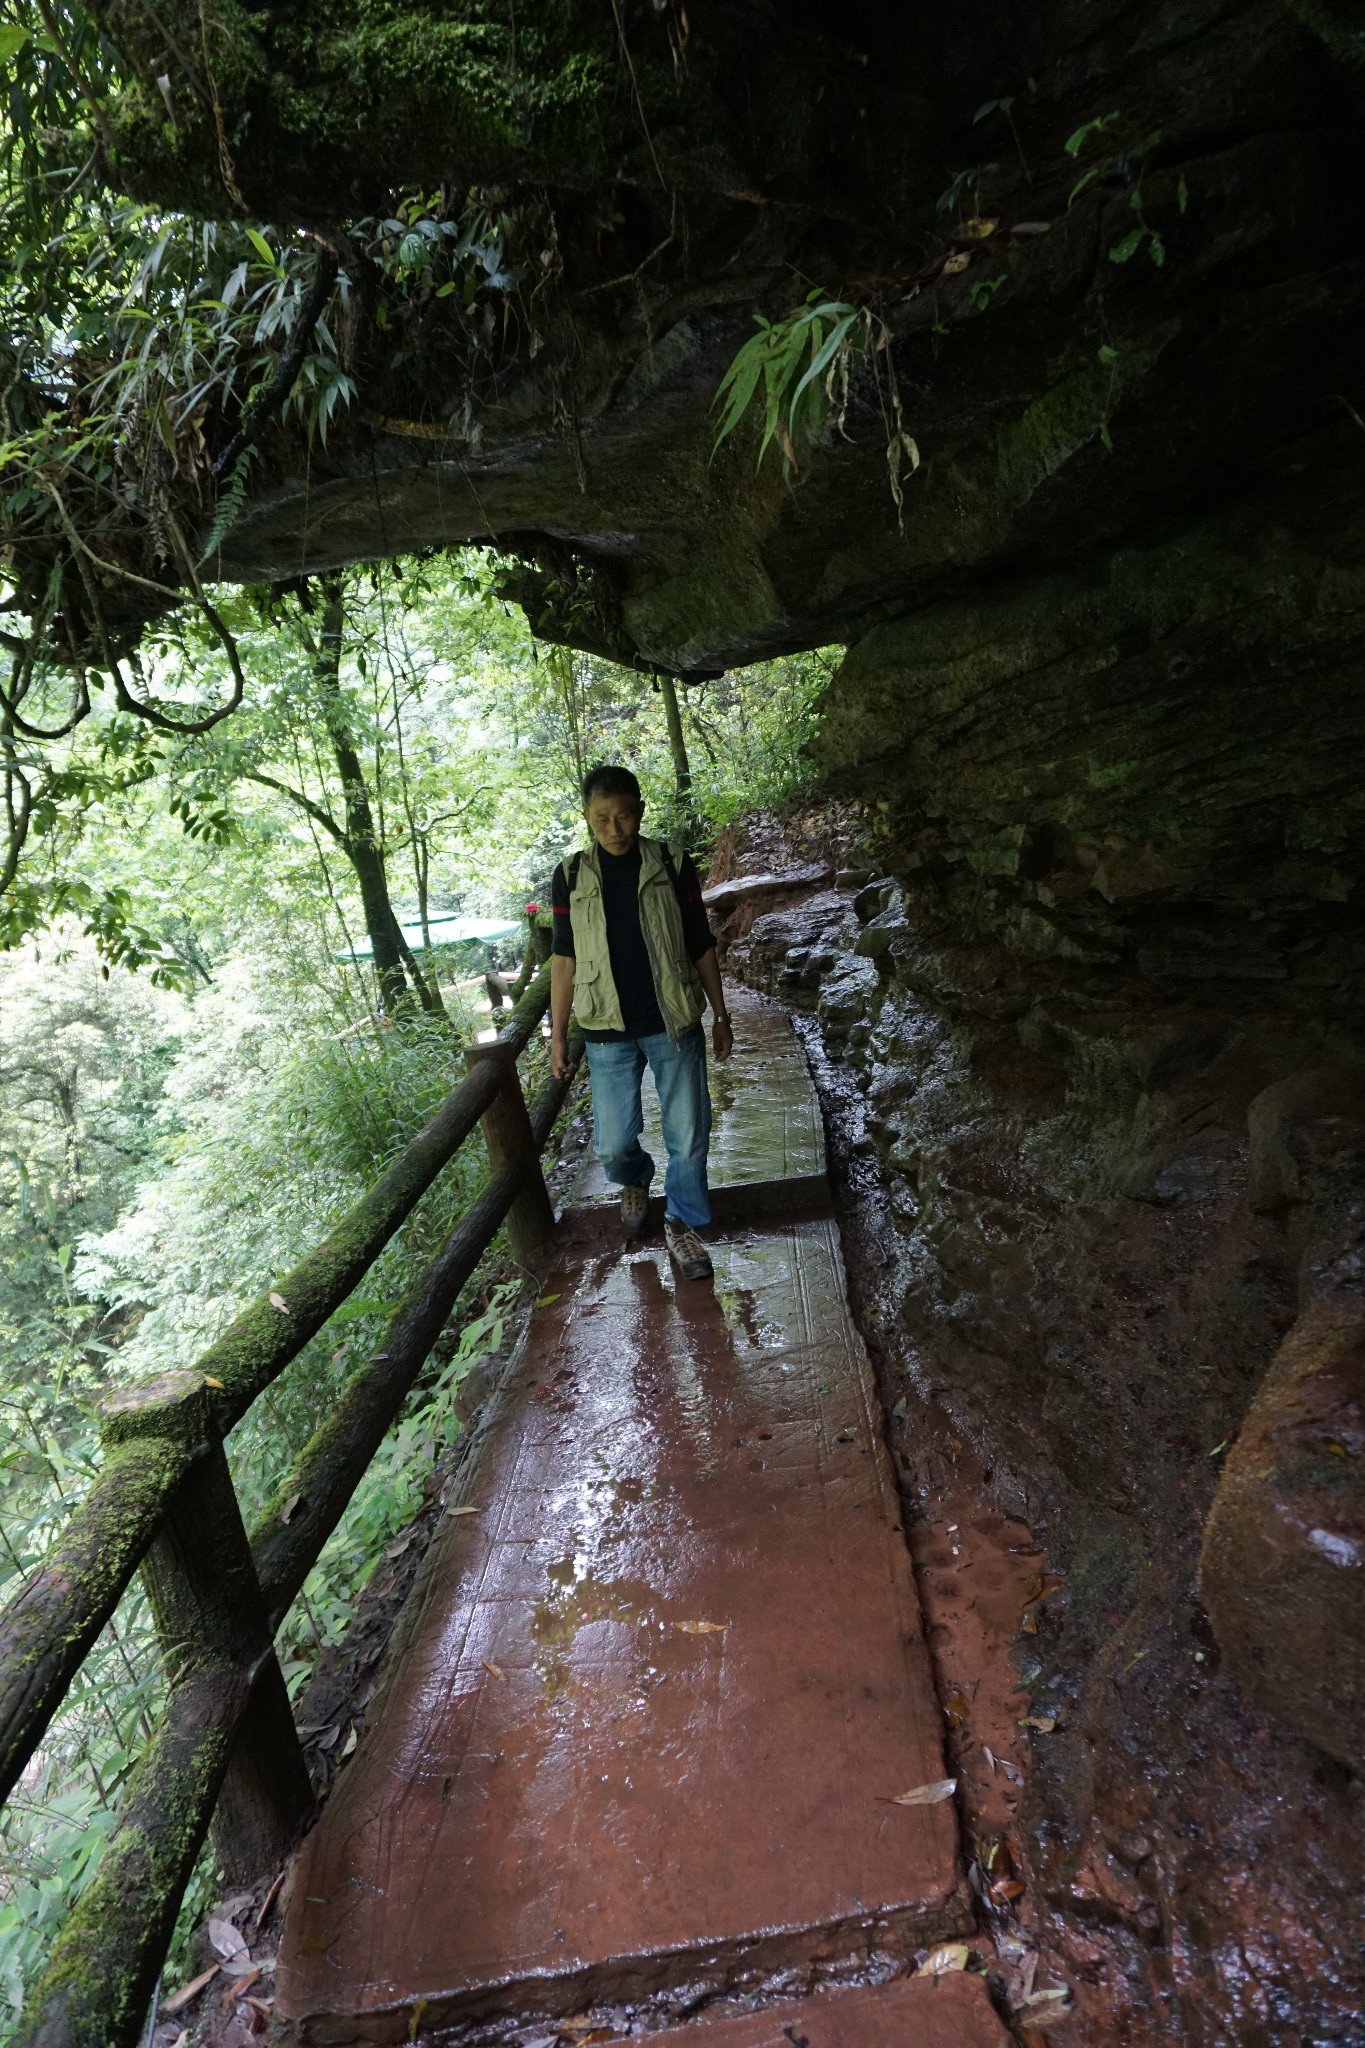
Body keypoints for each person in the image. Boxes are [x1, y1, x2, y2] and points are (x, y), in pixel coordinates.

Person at [549, 764, 733, 1281]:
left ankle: (683, 1222)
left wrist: (720, 1013)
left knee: (689, 1131)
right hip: (606, 1029)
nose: (614, 829)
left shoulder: (671, 862)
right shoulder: (571, 876)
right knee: (611, 1142)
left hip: (672, 1019)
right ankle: (635, 1179)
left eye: (624, 816)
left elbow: (700, 939)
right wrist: (558, 1035)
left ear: (640, 812)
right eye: (602, 819)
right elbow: (563, 959)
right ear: (587, 818)